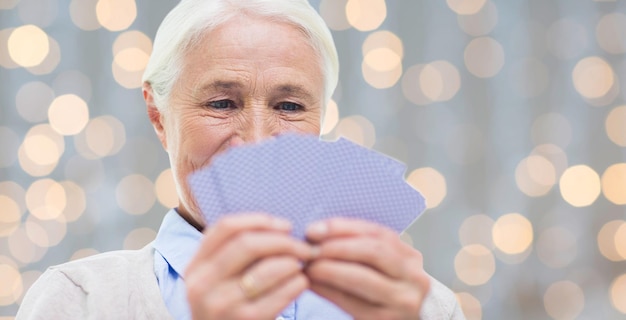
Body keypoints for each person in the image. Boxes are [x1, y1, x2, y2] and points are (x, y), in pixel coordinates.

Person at [17, 0, 465, 319]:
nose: (255, 143)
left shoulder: (424, 307)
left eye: (289, 107)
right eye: (221, 104)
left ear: (323, 119)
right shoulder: (80, 302)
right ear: (158, 115)